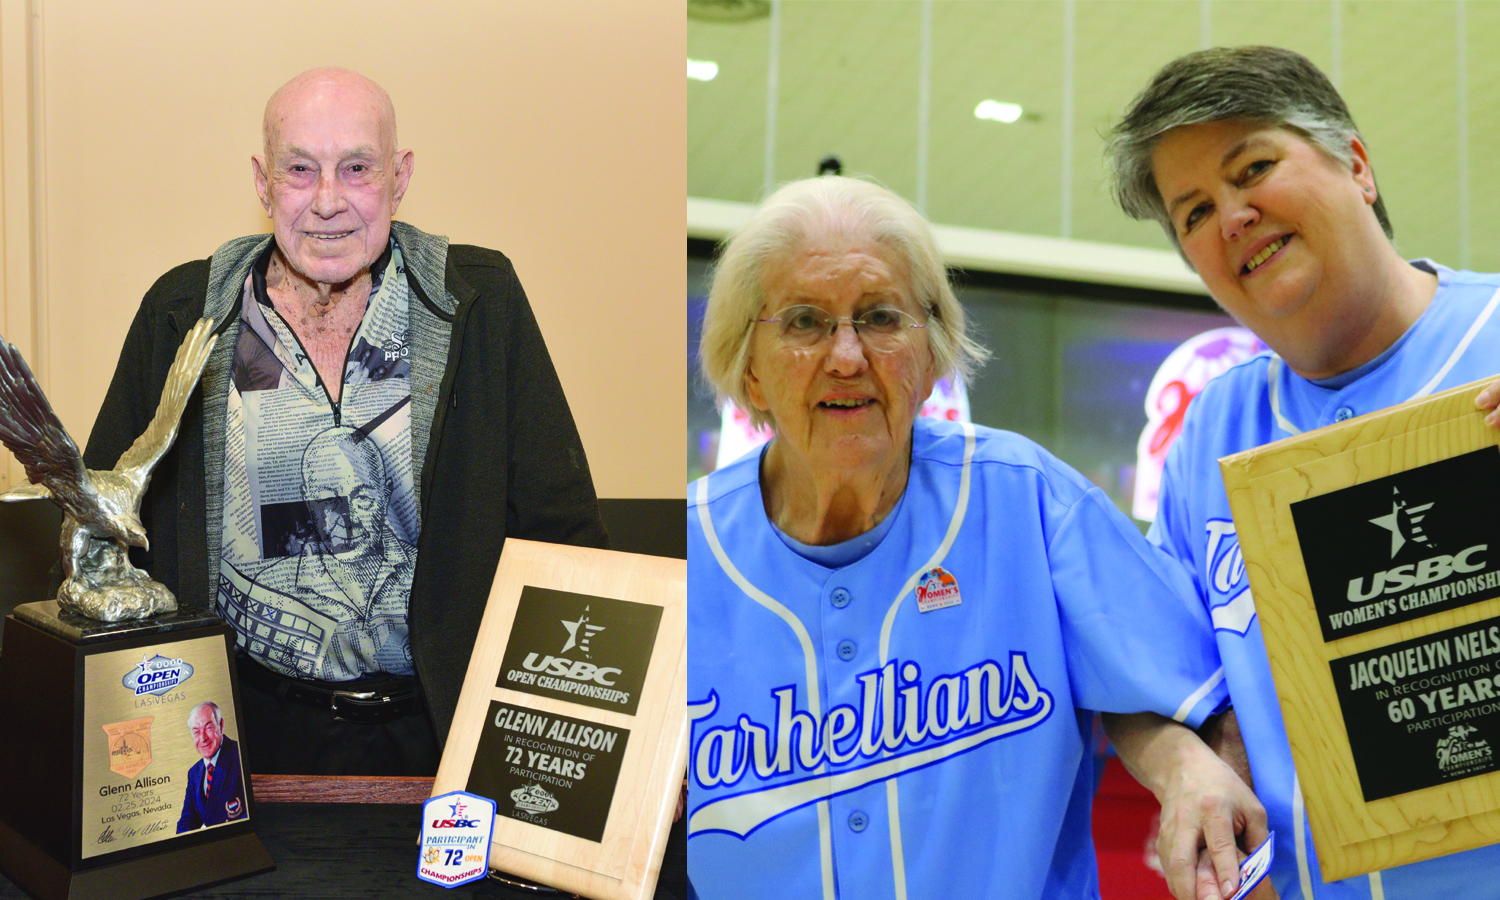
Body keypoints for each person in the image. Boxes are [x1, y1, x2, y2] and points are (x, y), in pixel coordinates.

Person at [687, 175, 1266, 900]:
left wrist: (1188, 769)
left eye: (880, 317)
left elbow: (1189, 693)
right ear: (748, 369)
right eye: (804, 322)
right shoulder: (682, 556)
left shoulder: (1026, 496)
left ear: (930, 356)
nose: (846, 356)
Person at [83, 68, 608, 777]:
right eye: (300, 170)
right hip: (242, 733)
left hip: (443, 728)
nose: (327, 201)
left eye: (356, 168)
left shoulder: (479, 303)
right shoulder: (185, 314)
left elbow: (560, 528)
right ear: (263, 184)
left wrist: (604, 741)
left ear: (400, 177)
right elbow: (106, 523)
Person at [1108, 45, 1500, 899]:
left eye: (1254, 168)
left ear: (1356, 166)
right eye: (1194, 212)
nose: (1233, 217)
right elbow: (1144, 675)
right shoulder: (1211, 433)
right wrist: (1183, 768)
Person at [176, 701, 247, 832]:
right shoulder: (193, 773)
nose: (203, 738)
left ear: (221, 725)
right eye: (196, 732)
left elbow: (251, 812)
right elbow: (186, 822)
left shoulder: (240, 755)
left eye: (208, 728)